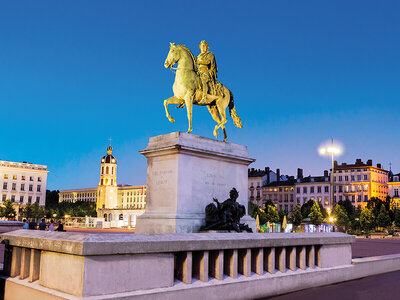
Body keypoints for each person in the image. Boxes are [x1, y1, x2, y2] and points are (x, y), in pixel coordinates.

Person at [195, 40, 218, 105]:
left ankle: (204, 97)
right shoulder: (197, 56)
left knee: (203, 80)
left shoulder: (210, 54)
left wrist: (199, 62)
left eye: (204, 46)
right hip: (198, 72)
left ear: (207, 47)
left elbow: (209, 62)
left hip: (206, 71)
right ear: (200, 47)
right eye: (202, 46)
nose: (203, 47)